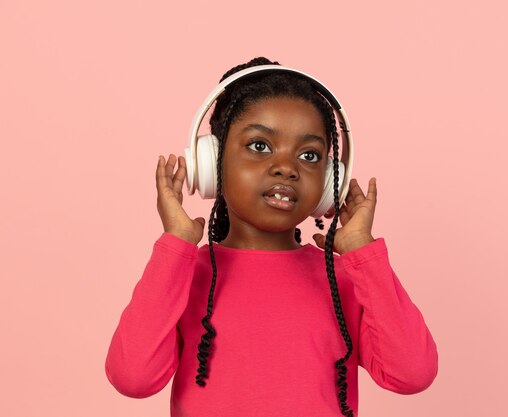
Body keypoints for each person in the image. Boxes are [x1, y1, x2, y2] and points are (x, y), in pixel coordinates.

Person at [104, 57, 438, 417]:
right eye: (260, 146)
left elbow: (413, 374)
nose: (287, 168)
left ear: (330, 181)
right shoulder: (185, 275)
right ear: (212, 160)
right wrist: (176, 245)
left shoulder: (344, 278)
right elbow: (132, 379)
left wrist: (362, 251)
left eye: (309, 155)